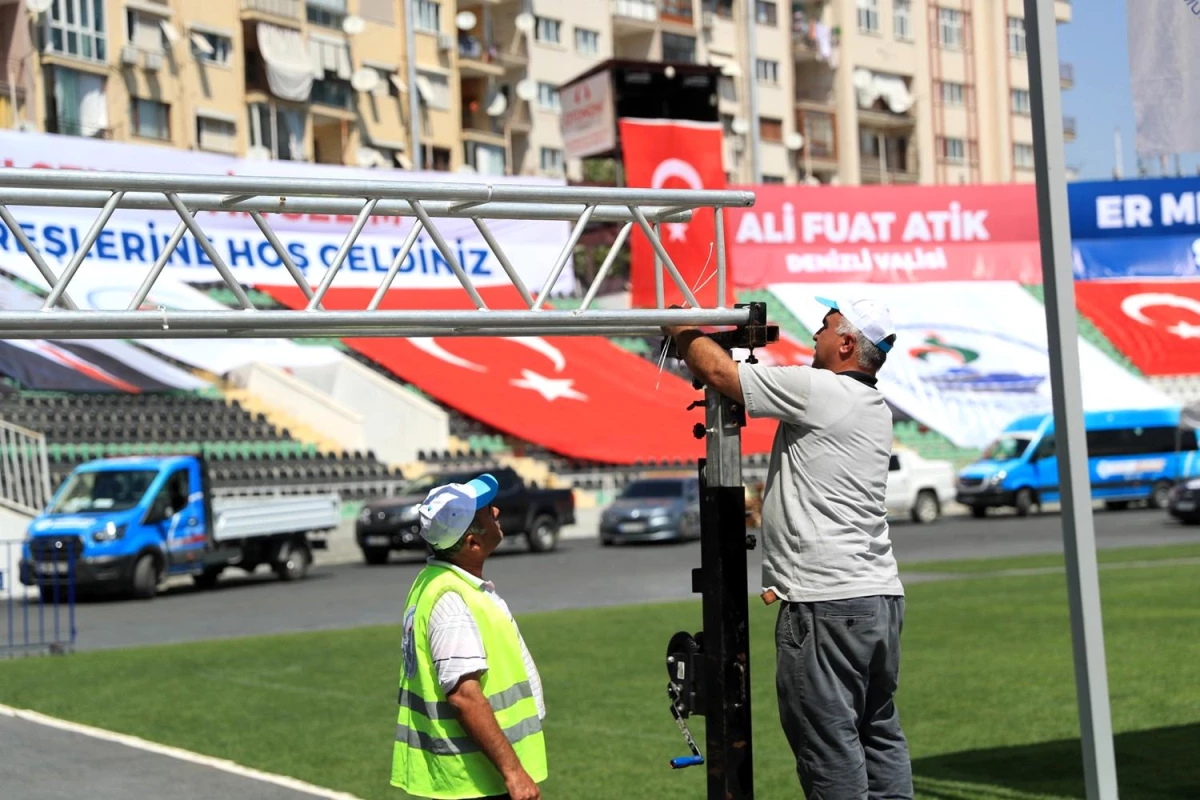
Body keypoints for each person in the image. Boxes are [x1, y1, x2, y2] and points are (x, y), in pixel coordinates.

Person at [662, 295, 913, 800]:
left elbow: (719, 373)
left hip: (826, 602)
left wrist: (677, 324)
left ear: (846, 343)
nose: (814, 334)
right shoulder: (871, 405)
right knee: (877, 731)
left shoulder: (823, 390)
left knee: (827, 742)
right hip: (877, 597)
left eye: (825, 326)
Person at [391, 473, 547, 800]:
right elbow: (464, 696)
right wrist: (513, 772)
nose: (497, 513)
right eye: (487, 512)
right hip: (474, 782)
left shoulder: (436, 583)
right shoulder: (451, 600)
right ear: (472, 543)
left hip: (477, 779)